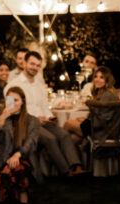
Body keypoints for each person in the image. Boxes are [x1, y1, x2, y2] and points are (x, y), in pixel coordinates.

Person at [6, 51, 87, 179]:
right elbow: (11, 111)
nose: (35, 68)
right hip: (26, 124)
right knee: (51, 139)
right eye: (32, 64)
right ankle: (66, 172)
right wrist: (34, 119)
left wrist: (50, 117)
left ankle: (76, 166)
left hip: (44, 122)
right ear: (25, 63)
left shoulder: (40, 86)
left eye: (38, 65)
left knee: (64, 134)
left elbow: (44, 106)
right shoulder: (12, 85)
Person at [0, 86, 39, 204]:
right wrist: (1, 122)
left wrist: (18, 154)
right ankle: (16, 190)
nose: (13, 103)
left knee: (17, 169)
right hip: (3, 160)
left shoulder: (32, 121)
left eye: (16, 100)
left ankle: (21, 190)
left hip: (24, 159)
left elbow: (31, 142)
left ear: (22, 102)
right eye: (9, 100)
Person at [64, 66, 120, 146]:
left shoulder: (107, 95)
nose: (97, 80)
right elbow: (100, 117)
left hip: (105, 133)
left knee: (68, 123)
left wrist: (86, 122)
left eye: (101, 77)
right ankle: (72, 158)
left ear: (107, 80)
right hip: (103, 131)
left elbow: (101, 121)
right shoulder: (104, 93)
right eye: (96, 76)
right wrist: (85, 120)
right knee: (73, 138)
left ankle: (57, 151)